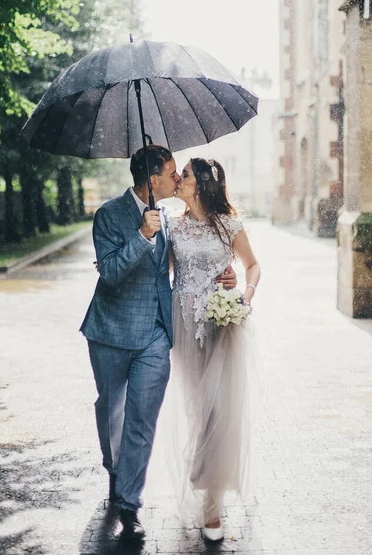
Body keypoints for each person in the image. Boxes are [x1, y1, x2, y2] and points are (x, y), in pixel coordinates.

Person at [80, 145, 237, 540]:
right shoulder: (109, 215)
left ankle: (129, 500)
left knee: (142, 420)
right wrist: (140, 236)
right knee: (111, 410)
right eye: (172, 173)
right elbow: (112, 273)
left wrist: (227, 272)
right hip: (111, 332)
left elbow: (184, 261)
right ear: (153, 181)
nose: (177, 179)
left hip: (155, 333)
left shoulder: (168, 218)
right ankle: (115, 471)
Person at [164, 157, 263, 542]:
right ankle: (204, 478)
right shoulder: (173, 227)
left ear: (200, 184)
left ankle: (213, 504)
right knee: (197, 408)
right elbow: (162, 271)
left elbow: (253, 265)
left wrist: (243, 291)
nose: (178, 178)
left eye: (184, 174)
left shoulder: (228, 226)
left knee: (219, 410)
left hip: (221, 324)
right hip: (185, 326)